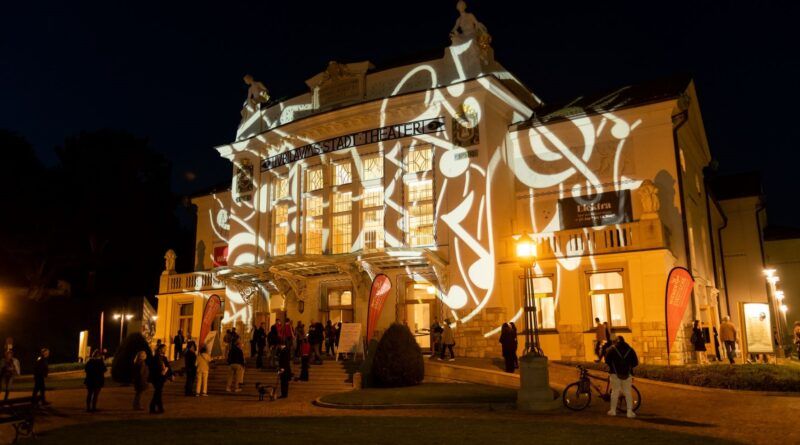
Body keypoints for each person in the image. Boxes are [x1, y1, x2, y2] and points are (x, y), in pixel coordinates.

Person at [604, 336, 639, 418]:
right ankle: (629, 412)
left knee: (615, 392)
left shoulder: (612, 349)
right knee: (627, 392)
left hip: (614, 374)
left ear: (616, 341)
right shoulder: (630, 349)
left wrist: (613, 366)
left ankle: (613, 411)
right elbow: (635, 362)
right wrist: (628, 366)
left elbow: (607, 360)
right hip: (627, 374)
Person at [149, 344, 172, 414]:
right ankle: (154, 407)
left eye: (165, 348)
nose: (165, 350)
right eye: (164, 348)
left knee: (158, 393)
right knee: (157, 393)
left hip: (161, 378)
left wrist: (170, 373)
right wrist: (161, 371)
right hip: (157, 378)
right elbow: (154, 368)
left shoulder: (164, 358)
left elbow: (168, 366)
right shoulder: (156, 358)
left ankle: (158, 408)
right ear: (160, 349)